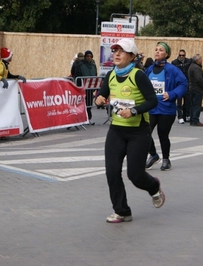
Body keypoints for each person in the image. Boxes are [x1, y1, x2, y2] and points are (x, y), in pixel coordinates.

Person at [94, 39, 164, 223]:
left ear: (132, 56)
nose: (116, 54)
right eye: (115, 50)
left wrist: (133, 111)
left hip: (138, 132)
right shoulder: (110, 75)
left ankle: (154, 186)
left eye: (122, 51)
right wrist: (99, 99)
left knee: (135, 175)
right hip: (116, 131)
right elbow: (101, 93)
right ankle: (122, 211)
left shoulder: (138, 75)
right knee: (112, 172)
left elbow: (152, 101)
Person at [145, 42, 188, 170]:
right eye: (156, 49)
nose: (157, 52)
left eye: (161, 50)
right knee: (144, 133)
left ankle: (166, 159)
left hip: (166, 108)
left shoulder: (172, 69)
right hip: (151, 107)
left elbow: (183, 84)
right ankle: (153, 155)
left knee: (162, 134)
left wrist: (172, 94)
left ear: (167, 54)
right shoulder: (149, 69)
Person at [74, 50, 98, 125]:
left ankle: (88, 118)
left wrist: (94, 85)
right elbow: (76, 75)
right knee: (82, 104)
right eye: (87, 56)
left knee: (89, 103)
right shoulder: (80, 65)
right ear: (85, 57)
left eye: (90, 56)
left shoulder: (93, 65)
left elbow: (95, 74)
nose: (89, 58)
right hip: (82, 88)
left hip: (90, 88)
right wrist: (78, 86)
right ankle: (82, 118)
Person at [171, 49, 191, 124]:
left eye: (183, 55)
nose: (182, 57)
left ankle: (187, 115)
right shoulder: (174, 62)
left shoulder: (189, 61)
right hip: (178, 84)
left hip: (186, 83)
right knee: (179, 101)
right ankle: (180, 116)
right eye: (180, 55)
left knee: (187, 100)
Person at [188, 54, 203, 126]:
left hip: (192, 88)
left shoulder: (192, 66)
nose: (202, 61)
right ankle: (195, 120)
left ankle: (192, 119)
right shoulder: (196, 68)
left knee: (193, 105)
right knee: (196, 105)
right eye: (201, 59)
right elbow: (199, 79)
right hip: (197, 89)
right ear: (198, 60)